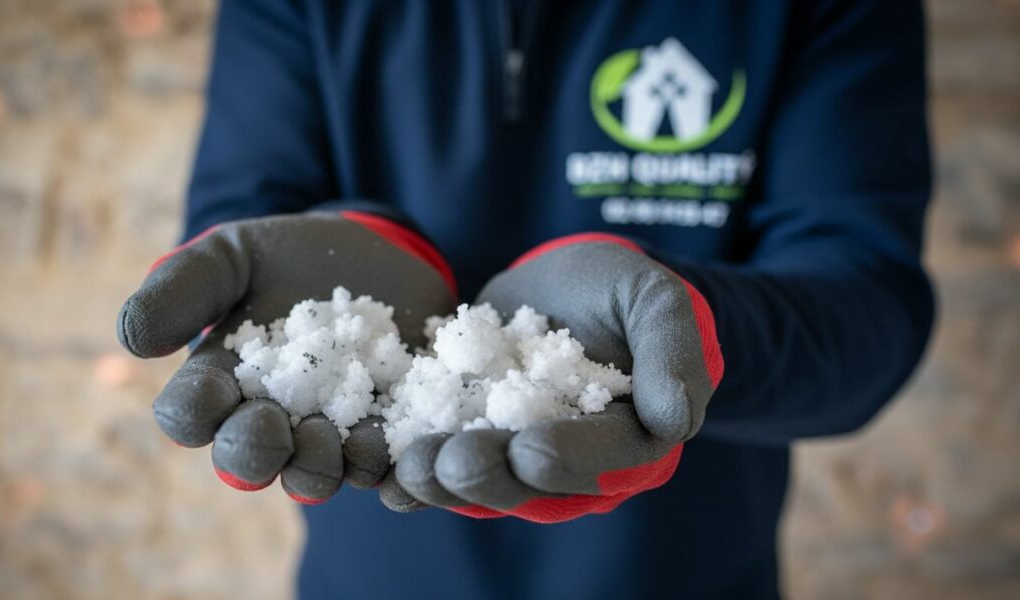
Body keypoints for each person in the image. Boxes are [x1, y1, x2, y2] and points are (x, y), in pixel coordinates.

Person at [117, 1, 934, 598]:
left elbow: (868, 305)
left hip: (692, 576)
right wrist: (360, 243)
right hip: (369, 567)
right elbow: (241, 239)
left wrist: (691, 322)